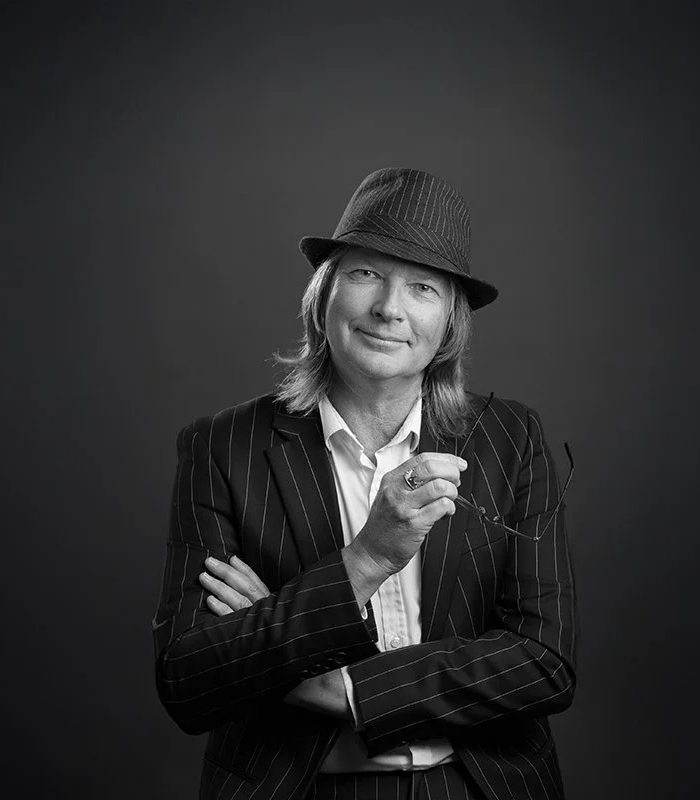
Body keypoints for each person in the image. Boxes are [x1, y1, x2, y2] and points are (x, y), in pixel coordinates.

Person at [151, 168, 576, 800]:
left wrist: (338, 688)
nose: (389, 308)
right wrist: (367, 559)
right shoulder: (223, 446)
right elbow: (190, 682)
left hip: (473, 786)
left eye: (423, 287)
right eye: (366, 273)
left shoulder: (510, 439)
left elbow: (544, 663)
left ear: (449, 324)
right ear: (322, 298)